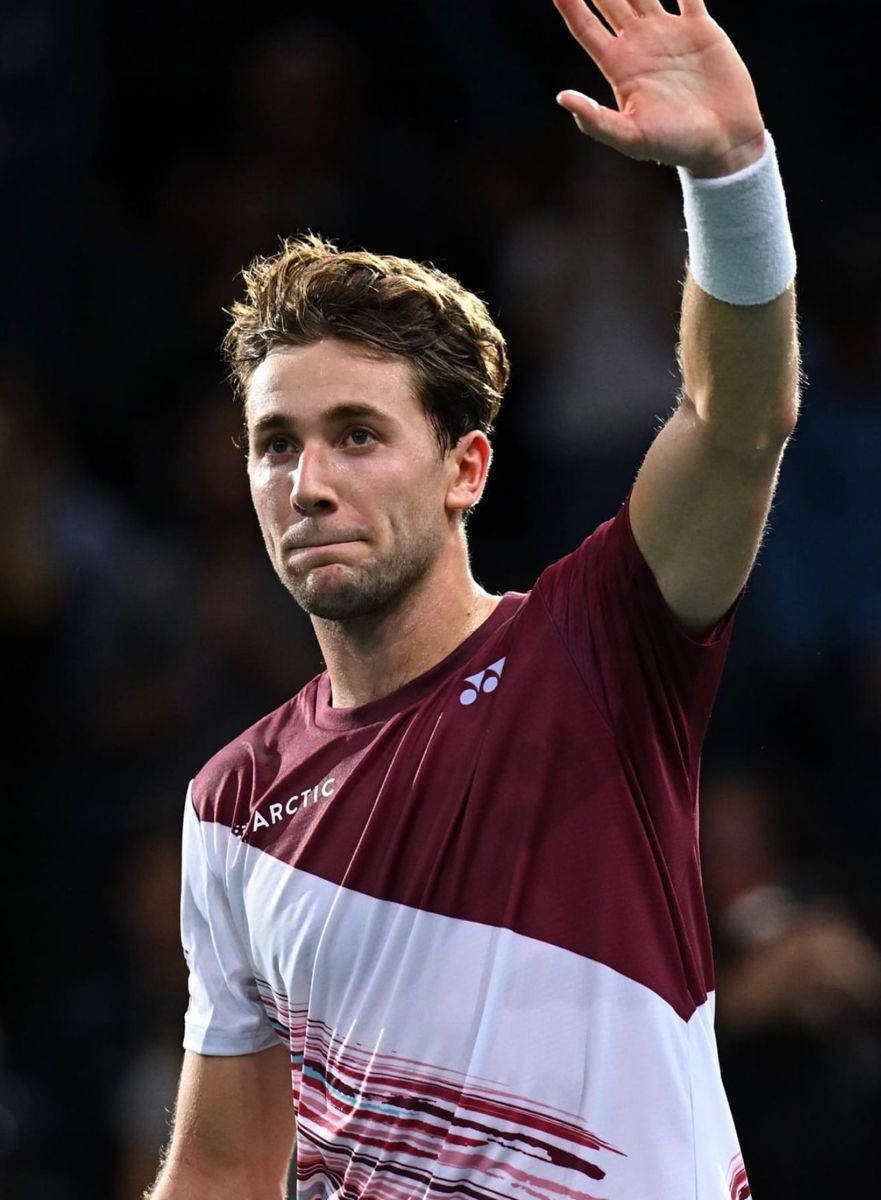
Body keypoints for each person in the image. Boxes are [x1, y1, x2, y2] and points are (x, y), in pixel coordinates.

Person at [147, 1, 799, 1196]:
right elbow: (227, 1167)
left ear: (465, 468)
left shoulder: (597, 645)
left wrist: (730, 177)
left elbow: (734, 417)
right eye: (275, 444)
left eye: (356, 435)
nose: (309, 483)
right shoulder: (232, 805)